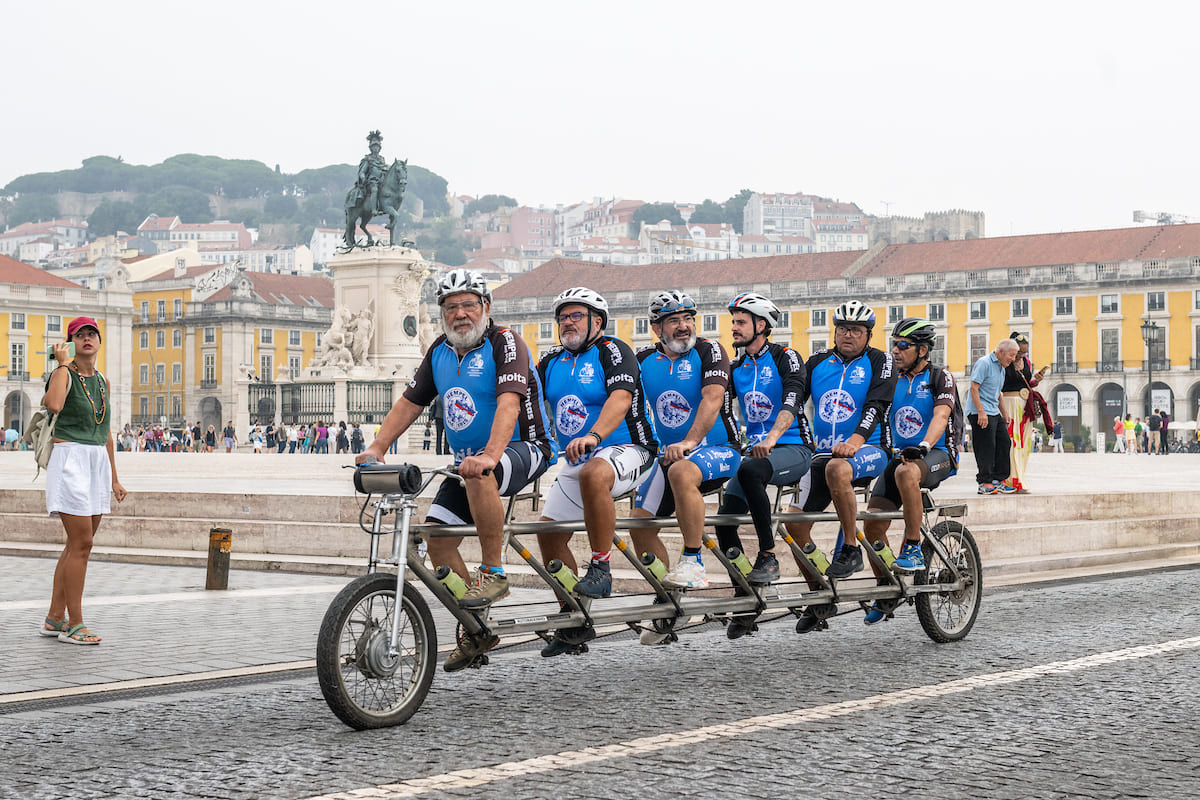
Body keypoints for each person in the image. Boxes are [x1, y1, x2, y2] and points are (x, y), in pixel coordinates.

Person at [359, 269, 555, 672]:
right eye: (451, 307)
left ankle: (494, 572)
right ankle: (476, 626)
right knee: (438, 541)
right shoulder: (440, 352)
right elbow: (410, 403)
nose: (460, 314)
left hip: (524, 448)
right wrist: (377, 447)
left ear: (486, 308)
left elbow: (509, 405)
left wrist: (491, 455)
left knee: (480, 473)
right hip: (468, 464)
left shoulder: (506, 343)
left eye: (469, 305)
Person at [536, 287, 657, 657]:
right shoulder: (551, 362)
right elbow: (524, 400)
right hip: (579, 459)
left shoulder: (613, 351)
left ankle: (602, 569)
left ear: (597, 322)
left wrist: (594, 434)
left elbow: (621, 399)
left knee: (594, 473)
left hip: (627, 449)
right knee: (548, 534)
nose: (566, 323)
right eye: (562, 317)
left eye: (576, 316)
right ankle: (573, 619)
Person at [784, 300, 896, 632]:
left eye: (856, 330)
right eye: (843, 328)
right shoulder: (817, 361)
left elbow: (876, 406)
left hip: (870, 448)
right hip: (822, 454)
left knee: (838, 468)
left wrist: (856, 442)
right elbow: (794, 400)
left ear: (869, 335)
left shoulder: (880, 361)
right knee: (793, 524)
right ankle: (821, 592)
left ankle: (850, 547)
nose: (848, 335)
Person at [629, 291, 740, 596]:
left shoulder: (709, 350)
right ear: (656, 329)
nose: (683, 326)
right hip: (671, 456)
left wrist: (690, 441)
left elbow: (713, 398)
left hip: (719, 451)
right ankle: (669, 599)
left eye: (688, 319)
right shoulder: (643, 360)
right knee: (638, 524)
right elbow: (628, 406)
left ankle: (694, 562)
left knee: (680, 470)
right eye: (674, 320)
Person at [712, 292, 814, 616]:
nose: (734, 328)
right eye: (733, 322)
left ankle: (768, 556)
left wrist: (771, 438)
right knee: (724, 521)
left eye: (741, 322)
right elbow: (718, 409)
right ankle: (745, 592)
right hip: (756, 454)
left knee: (750, 471)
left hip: (793, 447)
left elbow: (793, 399)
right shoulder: (737, 367)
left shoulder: (786, 357)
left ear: (761, 325)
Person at [856, 319, 960, 624]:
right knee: (872, 526)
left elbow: (941, 414)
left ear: (923, 350)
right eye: (894, 344)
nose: (896, 350)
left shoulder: (940, 377)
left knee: (906, 474)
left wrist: (925, 446)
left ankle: (913, 546)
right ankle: (887, 584)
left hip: (937, 453)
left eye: (903, 345)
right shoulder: (892, 379)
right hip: (902, 456)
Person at [38, 317, 128, 645]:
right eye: (80, 335)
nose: (87, 339)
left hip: (96, 461)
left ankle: (53, 618)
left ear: (99, 342)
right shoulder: (64, 373)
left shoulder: (101, 380)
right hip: (70, 458)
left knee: (76, 544)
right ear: (71, 342)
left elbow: (105, 432)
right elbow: (54, 404)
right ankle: (75, 624)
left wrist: (115, 478)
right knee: (82, 543)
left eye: (92, 334)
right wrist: (62, 366)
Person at [964, 338, 1018, 494]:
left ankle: (997, 479)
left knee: (1004, 443)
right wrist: (981, 411)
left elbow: (998, 393)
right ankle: (984, 482)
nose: (1013, 359)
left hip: (993, 411)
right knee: (986, 447)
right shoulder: (984, 363)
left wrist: (1005, 414)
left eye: (1015, 356)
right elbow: (974, 388)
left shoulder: (1002, 367)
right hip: (979, 412)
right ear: (1000, 352)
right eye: (1011, 355)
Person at [1000, 332, 1046, 493]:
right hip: (1009, 404)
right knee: (1012, 443)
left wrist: (1037, 380)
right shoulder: (1005, 363)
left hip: (1025, 405)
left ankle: (1021, 477)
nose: (1020, 356)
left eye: (1024, 352)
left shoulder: (1026, 362)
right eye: (1018, 352)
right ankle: (1012, 479)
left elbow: (1027, 384)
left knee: (1024, 444)